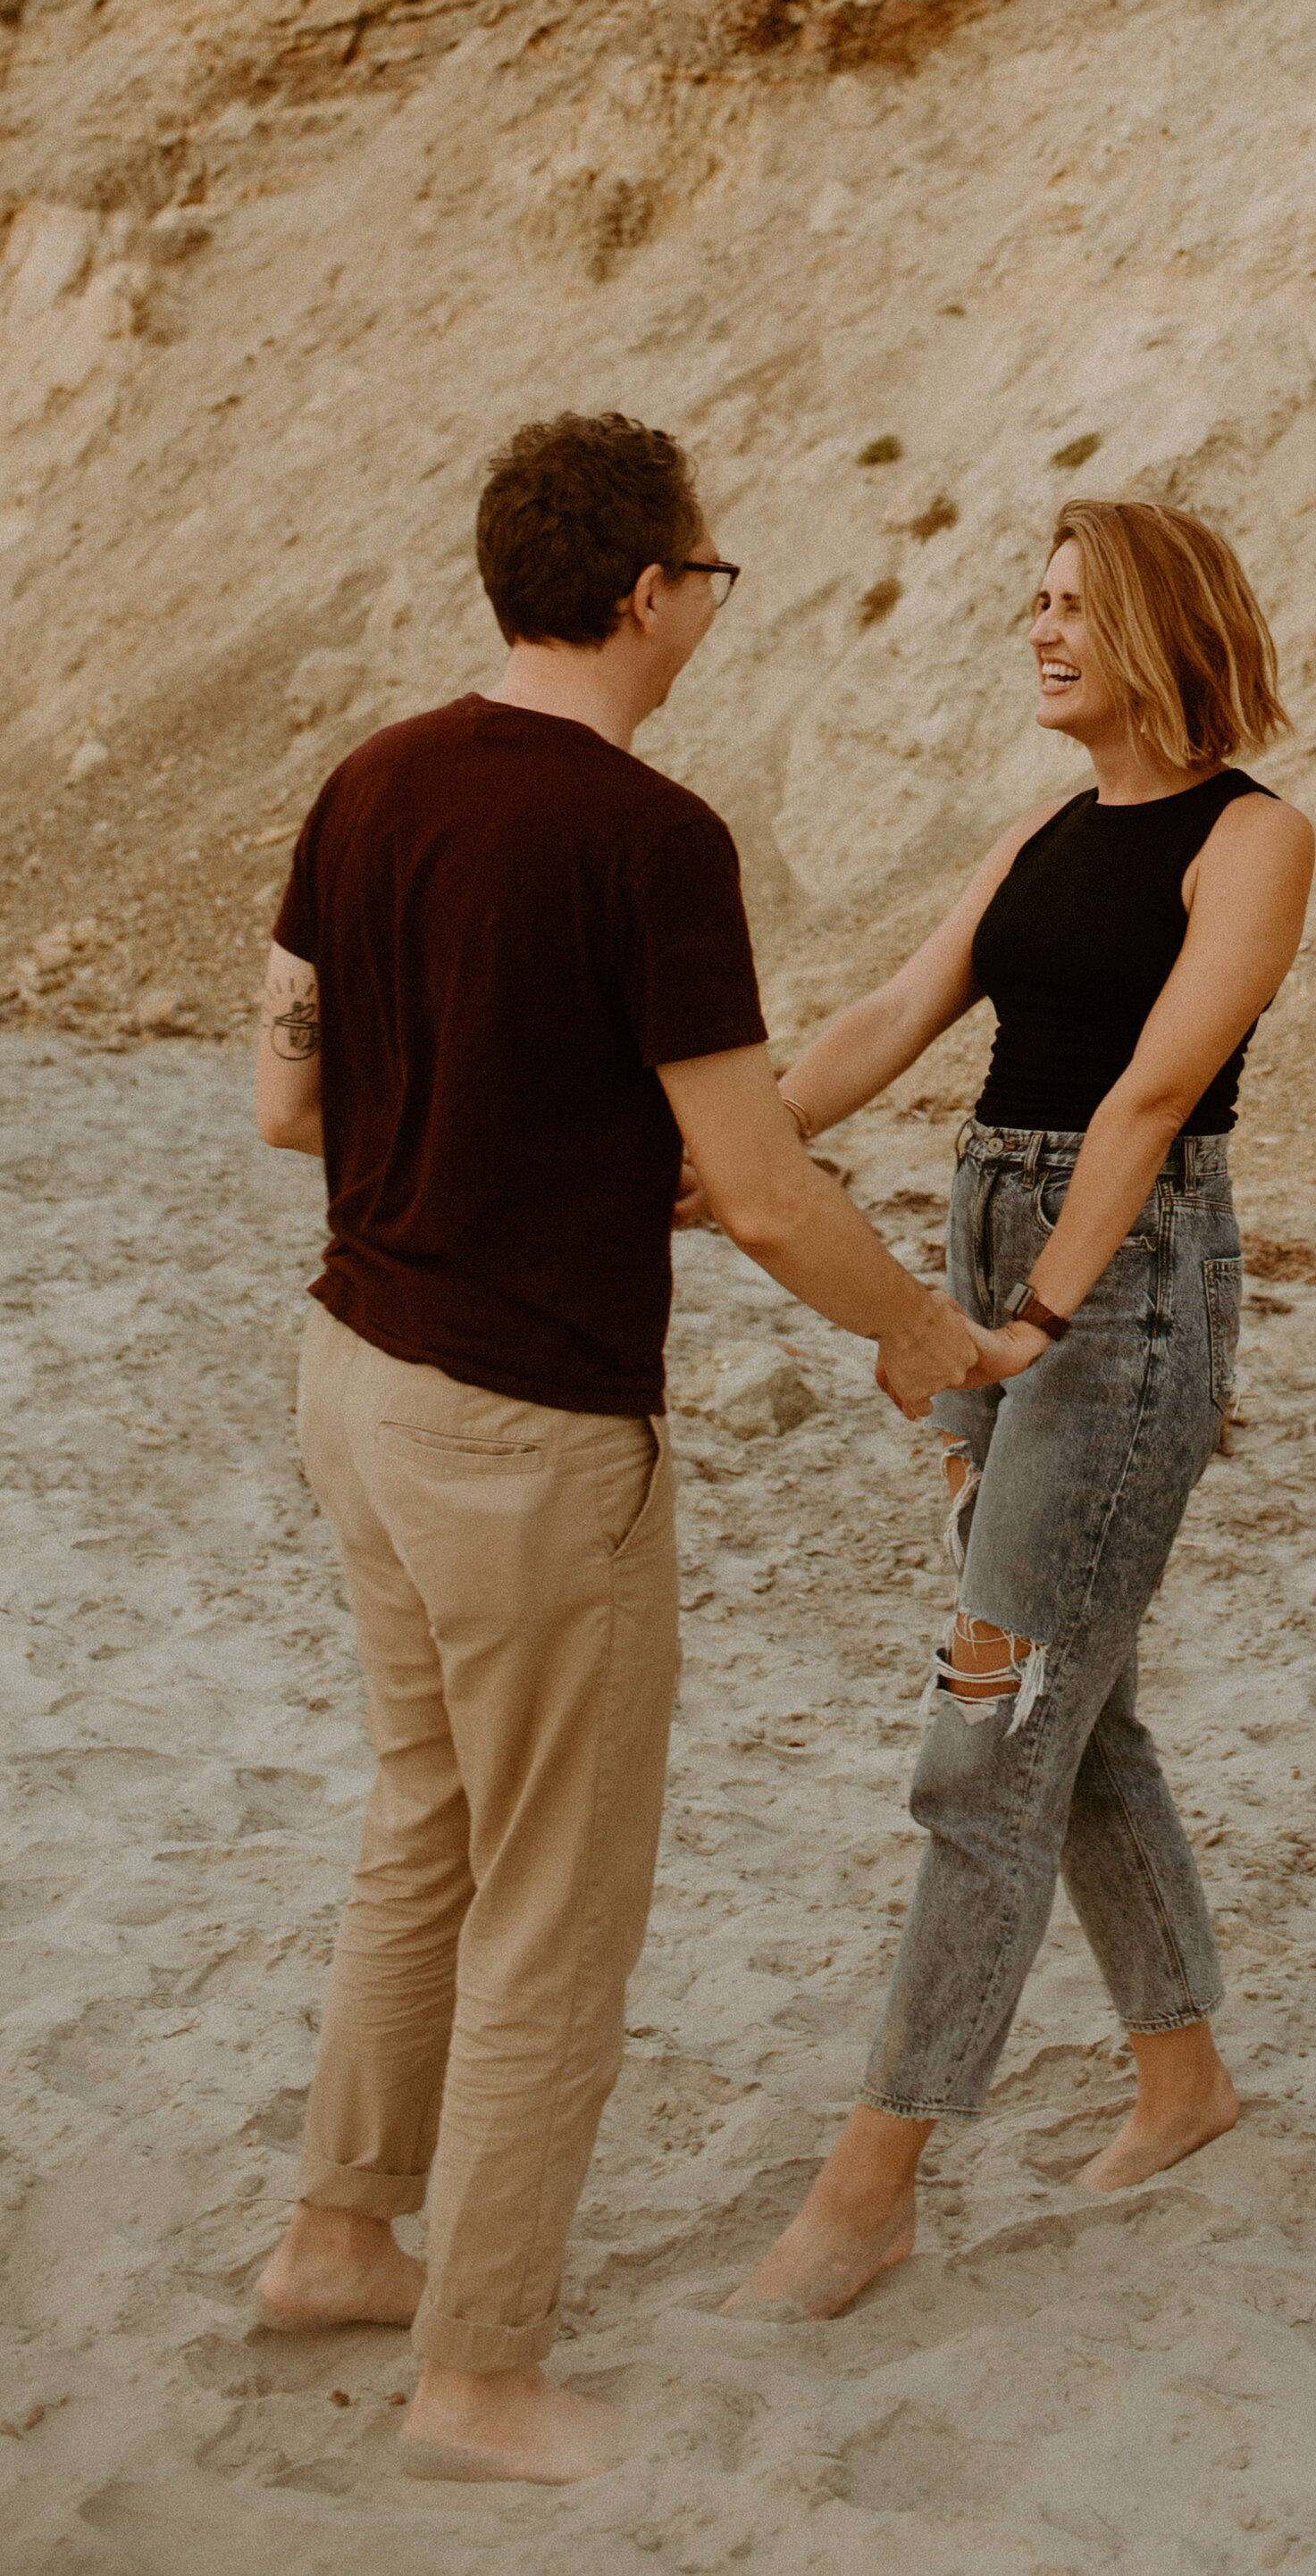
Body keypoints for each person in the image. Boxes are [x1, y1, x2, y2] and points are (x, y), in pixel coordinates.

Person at [248, 411, 982, 2484]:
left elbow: (290, 1101)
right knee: (557, 1895)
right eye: (712, 577)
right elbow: (759, 1191)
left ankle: (336, 2234)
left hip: (356, 1375)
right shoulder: (649, 839)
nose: (710, 612)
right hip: (522, 1420)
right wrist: (918, 1328)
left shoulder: (368, 777)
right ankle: (478, 2372)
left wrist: (518, 1120)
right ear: (650, 589)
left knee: (426, 1818)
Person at [727, 497, 1315, 2321]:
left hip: (1112, 1294)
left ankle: (871, 2181)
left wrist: (1036, 1315)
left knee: (987, 1735)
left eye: (1074, 605)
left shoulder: (1254, 839)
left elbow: (1150, 1095)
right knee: (1074, 1704)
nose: (1041, 631)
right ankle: (1184, 2076)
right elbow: (895, 1009)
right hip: (991, 1244)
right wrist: (734, 1144)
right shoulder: (1043, 832)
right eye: (1035, 604)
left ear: (1157, 624)